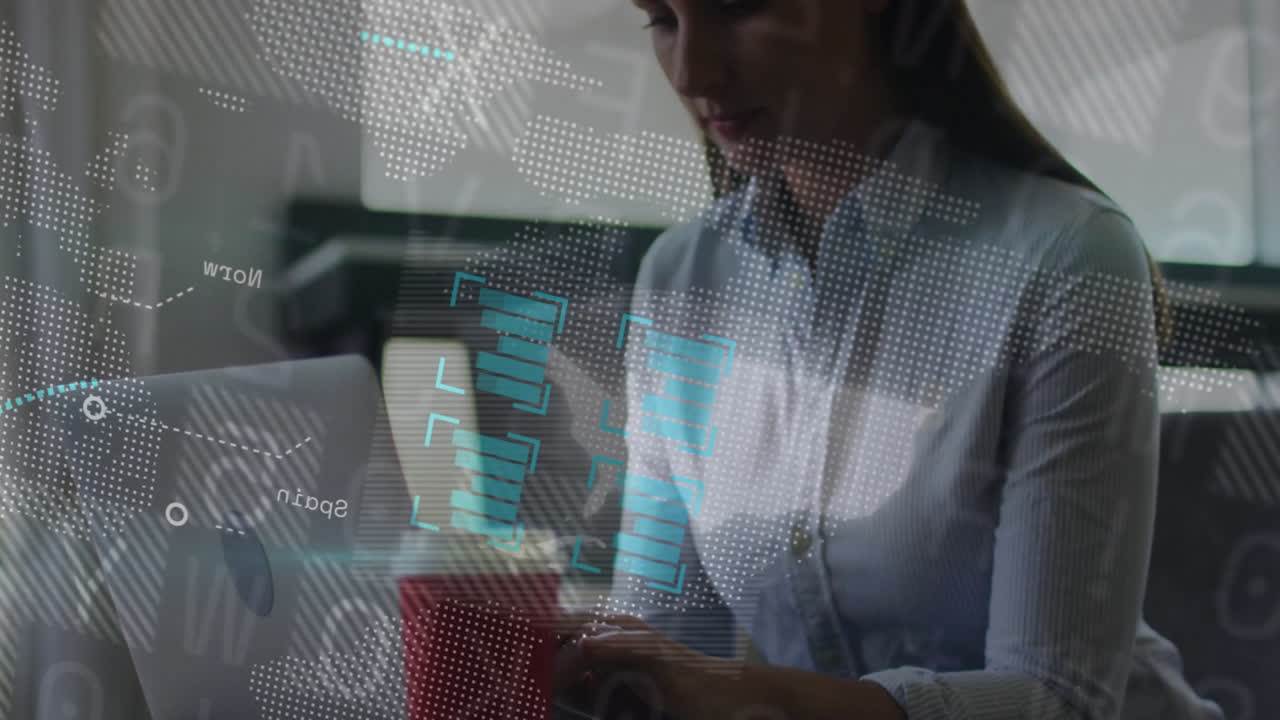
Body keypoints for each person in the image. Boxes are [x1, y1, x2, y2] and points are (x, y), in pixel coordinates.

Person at [556, 1, 1226, 719]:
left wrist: (755, 697)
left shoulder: (1067, 259)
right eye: (659, 18)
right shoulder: (682, 280)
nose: (691, 71)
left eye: (737, 7)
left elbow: (1058, 703)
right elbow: (664, 645)